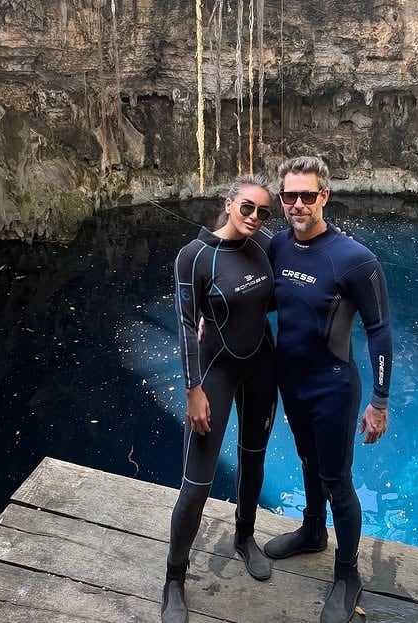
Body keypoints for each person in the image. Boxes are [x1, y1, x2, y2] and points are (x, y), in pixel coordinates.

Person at [264, 156, 393, 623]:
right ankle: (313, 531)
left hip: (333, 386)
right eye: (289, 196)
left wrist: (379, 402)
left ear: (324, 196)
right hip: (292, 382)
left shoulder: (355, 259)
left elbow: (379, 331)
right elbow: (253, 290)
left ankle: (346, 572)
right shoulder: (278, 246)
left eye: (307, 195)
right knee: (307, 461)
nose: (297, 204)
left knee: (337, 479)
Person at [162, 175, 278, 623]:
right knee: (196, 485)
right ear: (229, 204)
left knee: (253, 459)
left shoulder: (265, 246)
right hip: (216, 372)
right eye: (247, 207)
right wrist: (193, 390)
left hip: (262, 365)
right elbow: (185, 324)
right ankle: (175, 577)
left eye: (263, 212)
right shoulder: (194, 256)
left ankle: (244, 537)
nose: (254, 217)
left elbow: (275, 296)